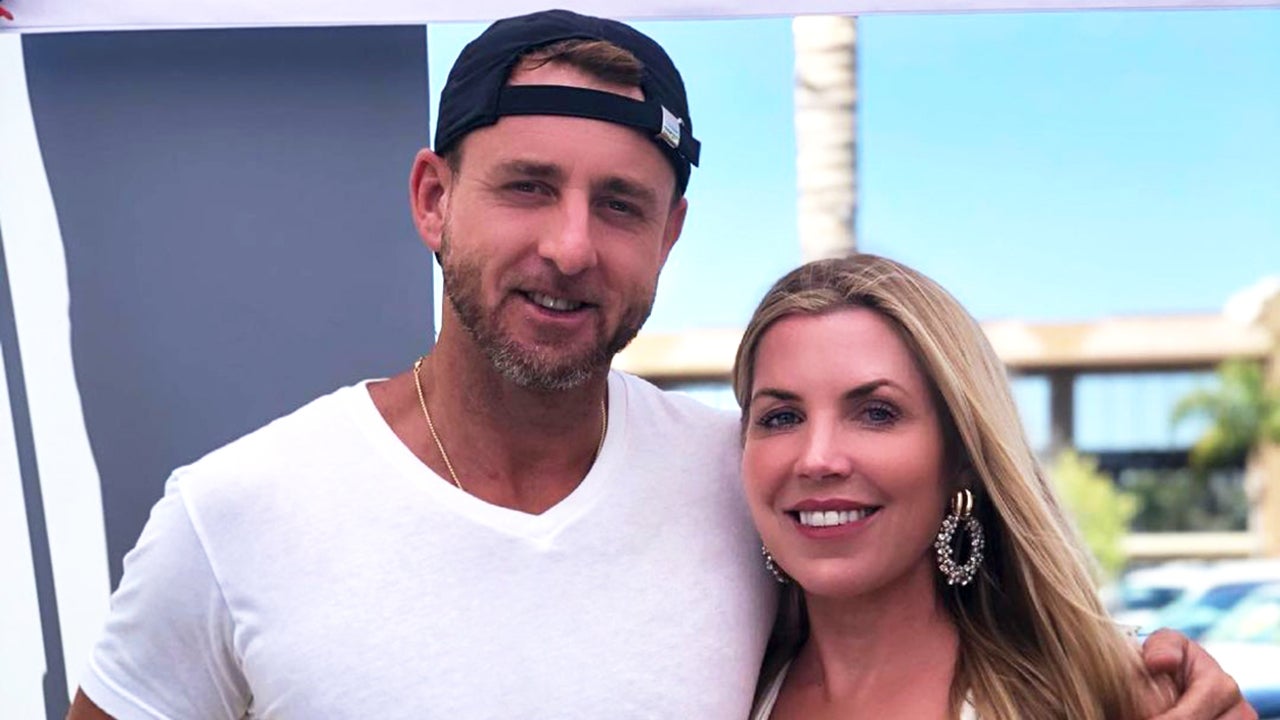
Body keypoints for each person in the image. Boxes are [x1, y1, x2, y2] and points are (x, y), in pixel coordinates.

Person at [69, 10, 1247, 720]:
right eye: (527, 187)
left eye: (621, 205)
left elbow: (944, 623)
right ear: (433, 198)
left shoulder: (740, 479)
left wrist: (1137, 679)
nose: (569, 246)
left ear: (670, 235)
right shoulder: (234, 513)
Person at [733, 254, 1258, 720]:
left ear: (962, 457)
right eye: (781, 418)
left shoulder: (1106, 694)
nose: (817, 459)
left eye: (876, 413)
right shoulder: (717, 689)